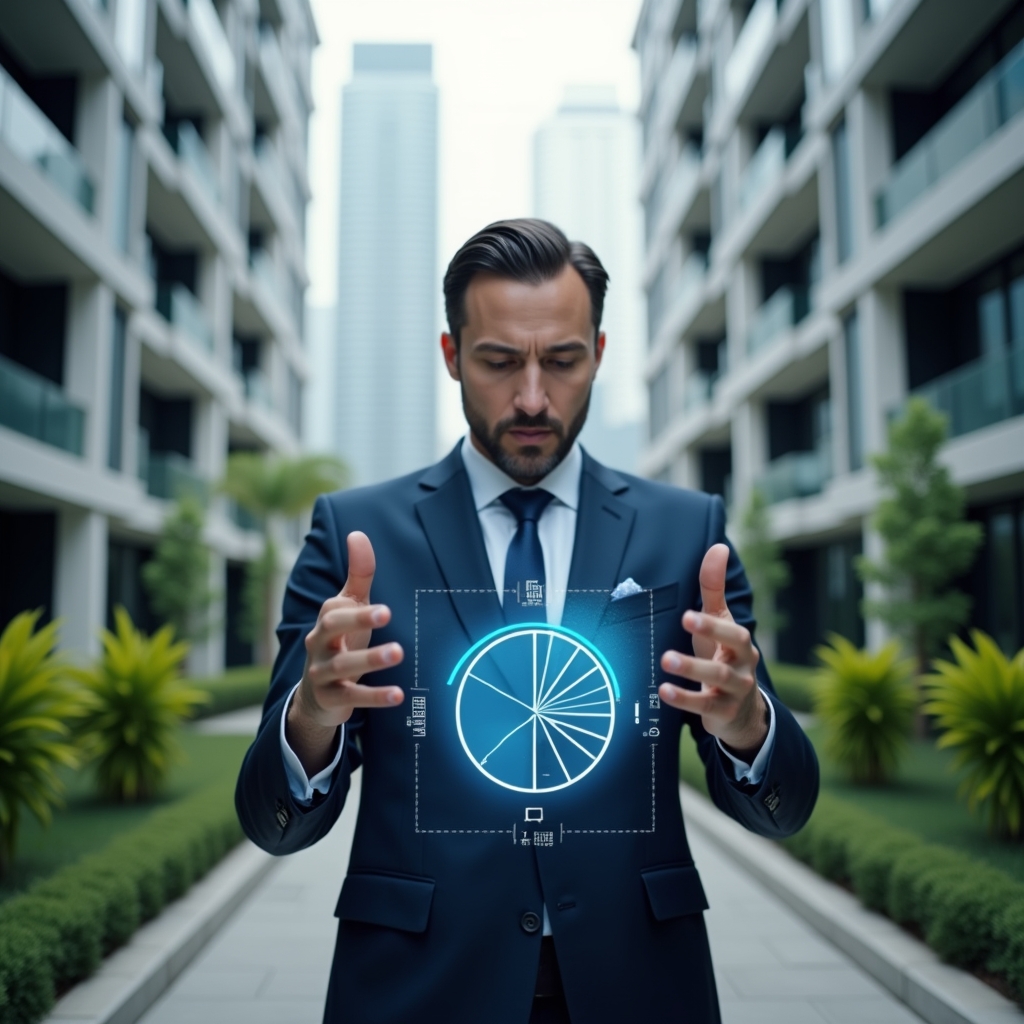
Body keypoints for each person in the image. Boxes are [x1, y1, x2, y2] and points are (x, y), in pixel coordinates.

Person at [236, 218, 818, 1024]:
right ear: (452, 355)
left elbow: (784, 807)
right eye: (501, 361)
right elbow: (272, 821)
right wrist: (311, 717)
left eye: (564, 361)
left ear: (600, 354)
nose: (534, 398)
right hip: (417, 992)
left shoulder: (688, 533)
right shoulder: (354, 536)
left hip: (640, 987)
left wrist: (748, 725)